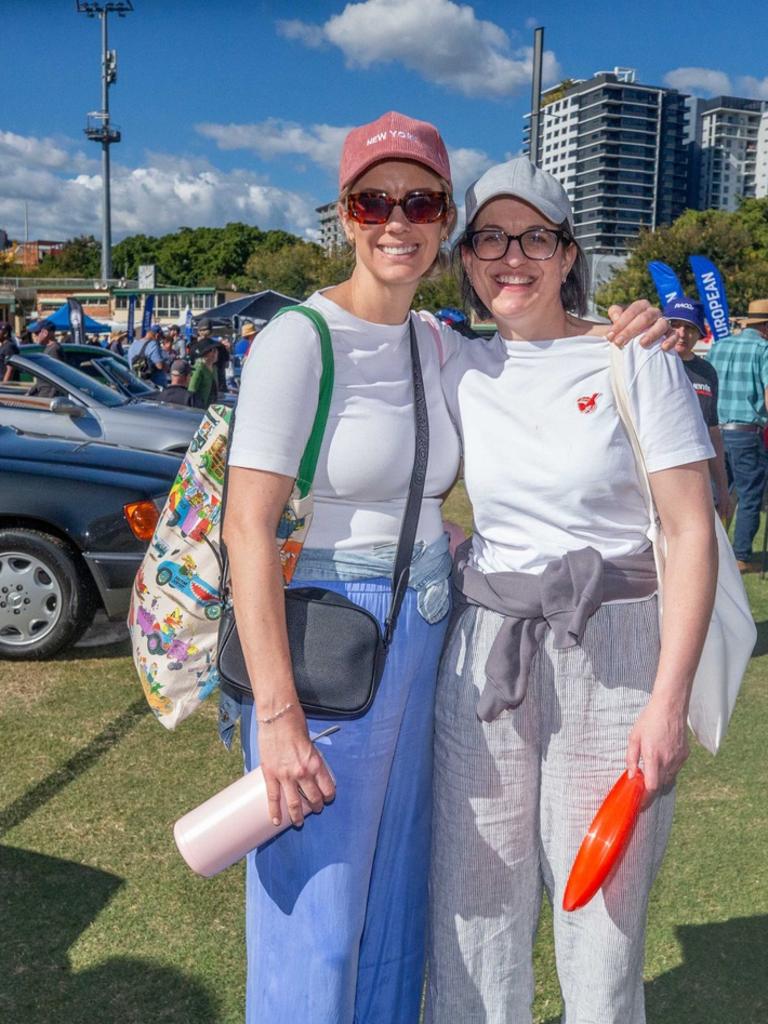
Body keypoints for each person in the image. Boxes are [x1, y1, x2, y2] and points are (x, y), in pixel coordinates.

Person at [219, 112, 670, 1024]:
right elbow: (245, 530)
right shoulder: (296, 340)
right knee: (323, 911)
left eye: (419, 200)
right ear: (344, 215)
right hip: (325, 638)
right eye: (373, 200)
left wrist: (642, 328)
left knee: (402, 907)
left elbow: (544, 370)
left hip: (434, 637)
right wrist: (275, 713)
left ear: (442, 228)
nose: (397, 220)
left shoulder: (439, 344)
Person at [425, 159, 717, 1024]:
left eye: (534, 238)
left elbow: (691, 530)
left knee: (605, 913)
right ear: (467, 259)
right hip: (487, 652)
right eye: (489, 237)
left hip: (618, 650)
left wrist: (668, 704)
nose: (511, 256)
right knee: (474, 899)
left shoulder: (635, 358)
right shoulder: (457, 363)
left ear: (566, 254)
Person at [708, 298, 768, 571]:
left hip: (715, 430)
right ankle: (741, 555)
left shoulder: (719, 346)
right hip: (746, 433)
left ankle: (711, 550)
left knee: (719, 495)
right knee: (749, 496)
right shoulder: (763, 348)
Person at [664, 297, 730, 520]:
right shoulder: (652, 362)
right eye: (676, 325)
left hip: (694, 476)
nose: (682, 333)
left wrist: (722, 487)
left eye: (690, 327)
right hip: (654, 473)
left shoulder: (706, 372)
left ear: (699, 333)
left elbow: (712, 432)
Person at [187, 338, 219, 407]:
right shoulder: (198, 368)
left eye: (216, 350)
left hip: (211, 408)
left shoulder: (214, 368)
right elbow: (191, 391)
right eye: (213, 350)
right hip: (199, 409)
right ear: (206, 353)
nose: (216, 352)